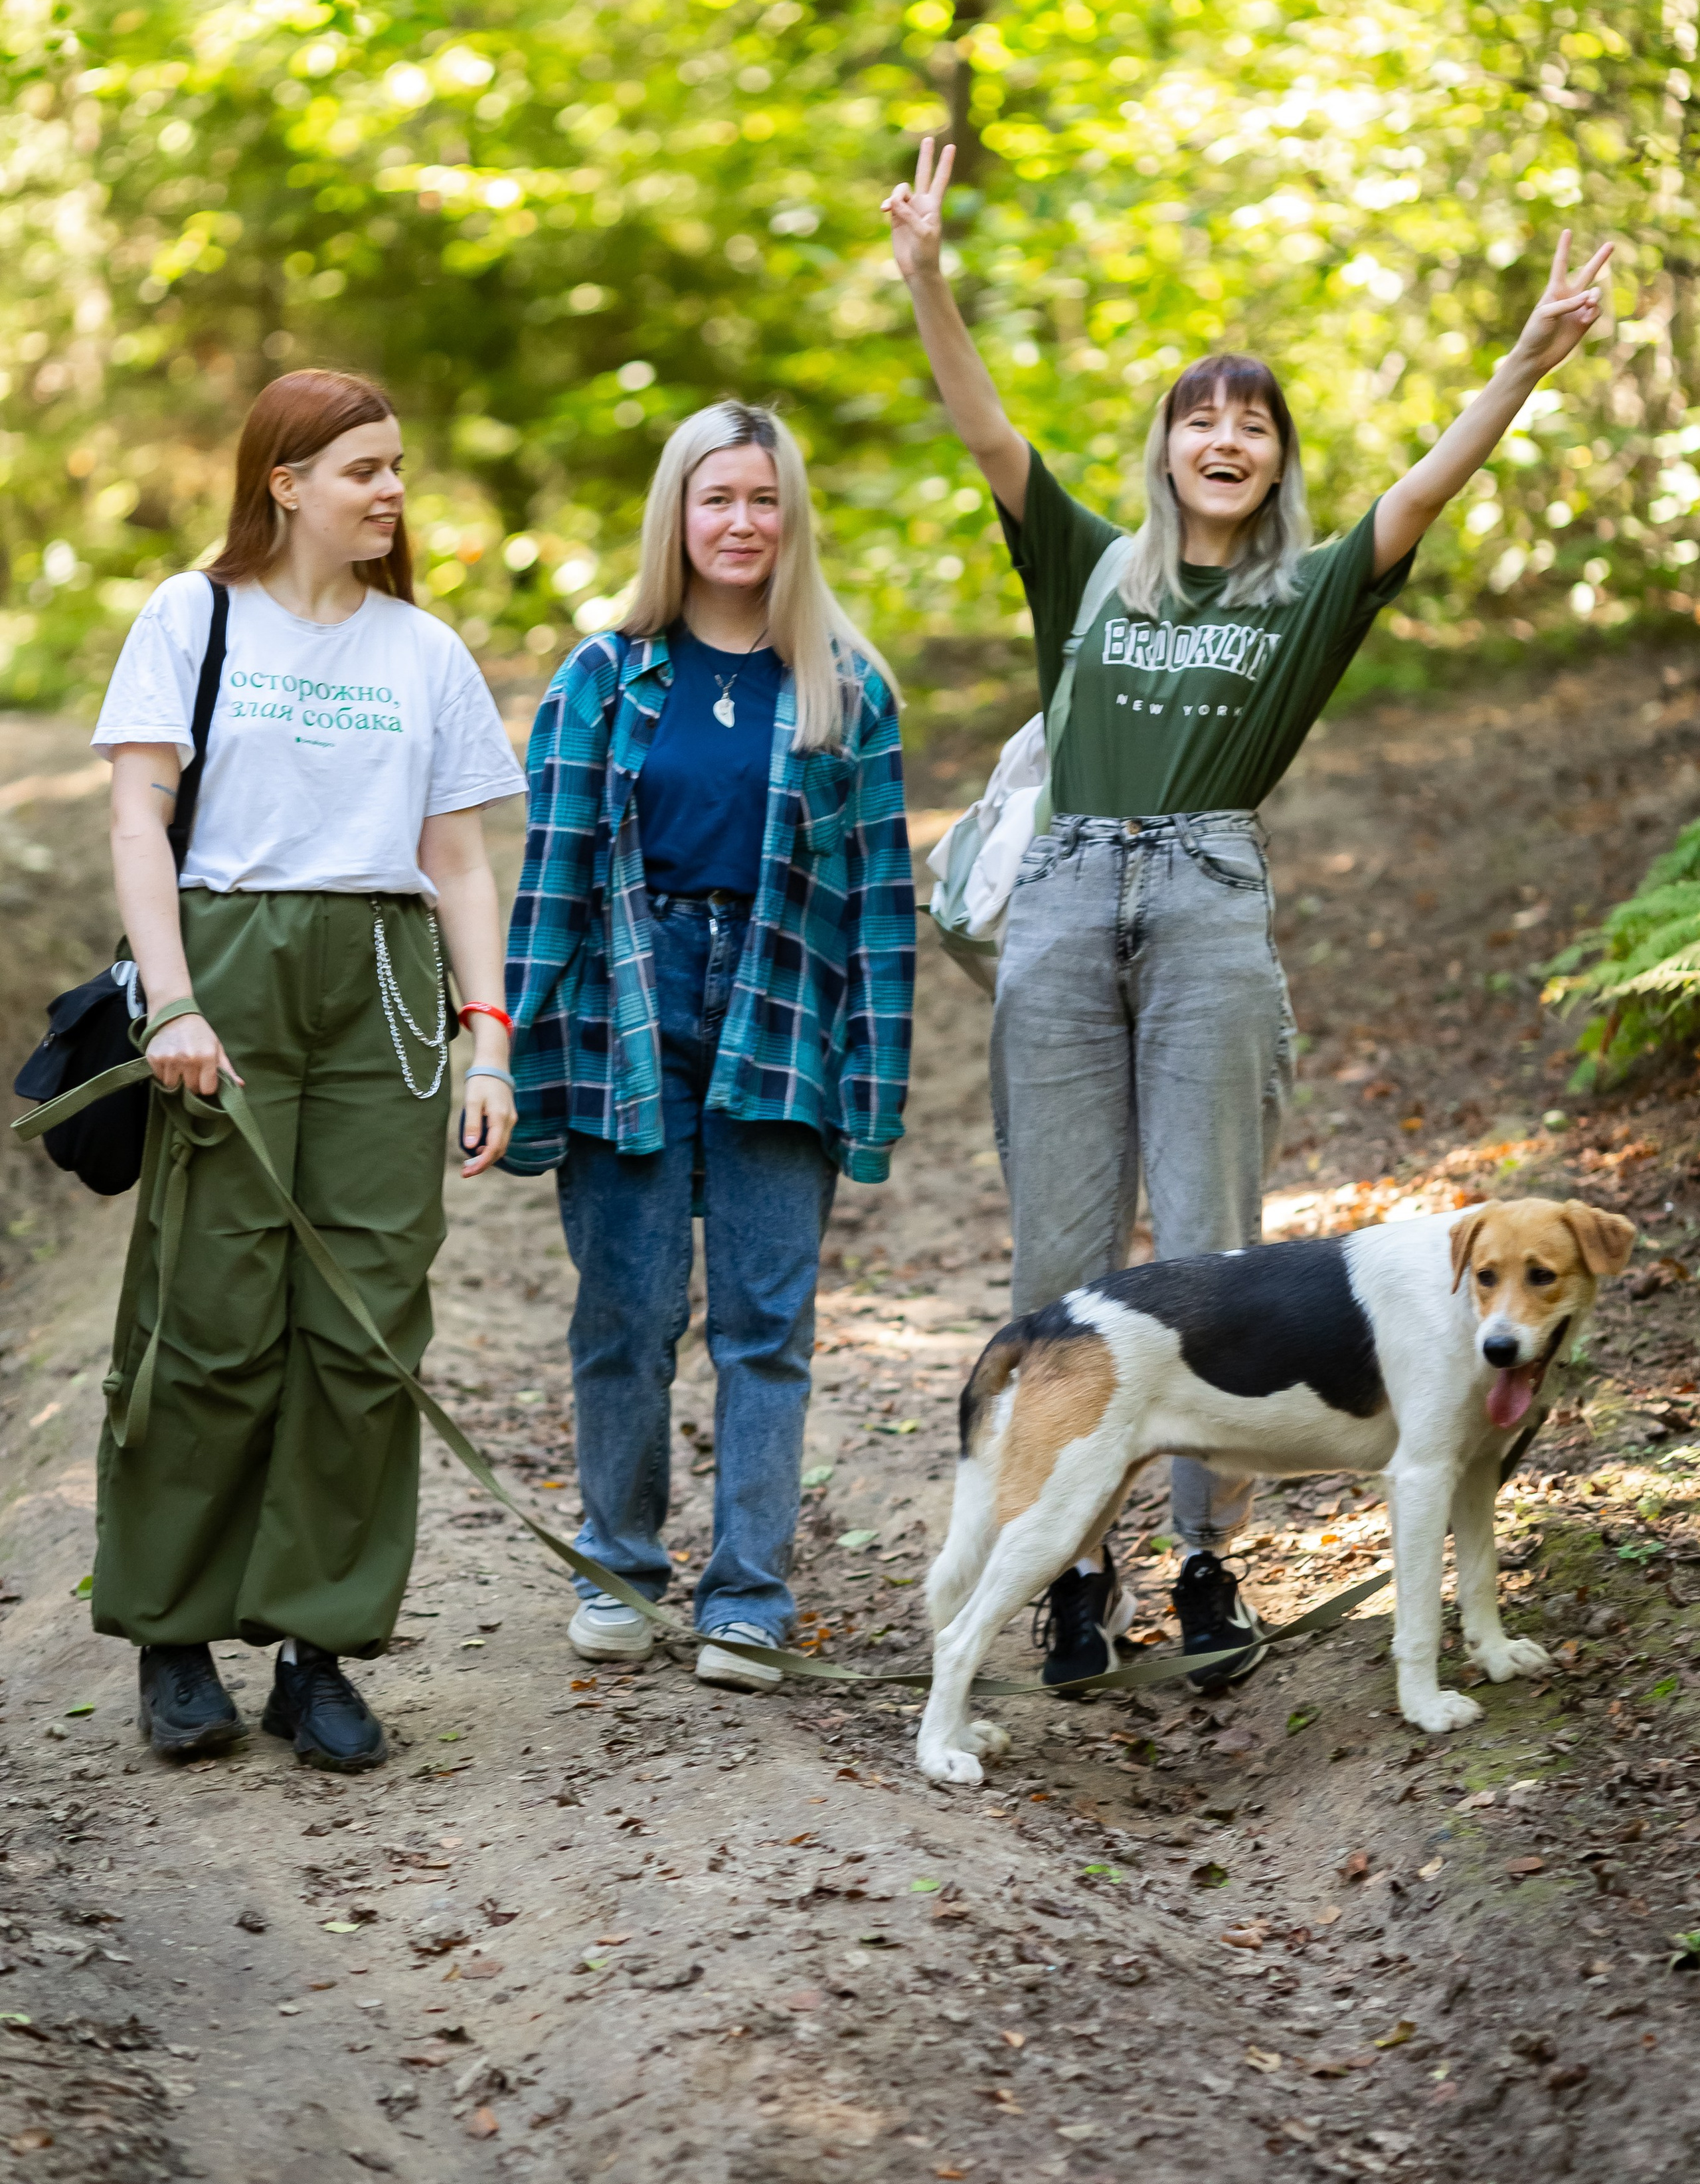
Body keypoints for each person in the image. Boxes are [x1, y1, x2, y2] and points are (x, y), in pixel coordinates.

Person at [887, 137, 1610, 1691]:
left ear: (1276, 461)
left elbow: (1425, 482)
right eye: (1197, 417)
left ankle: (1206, 1565)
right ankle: (1075, 1577)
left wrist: (1525, 362)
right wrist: (926, 280)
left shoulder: (1304, 601)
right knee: (1065, 1254)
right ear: (1162, 450)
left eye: (1254, 423)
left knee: (1210, 1249)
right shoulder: (1086, 568)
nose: (1224, 437)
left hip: (1211, 898)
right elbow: (986, 429)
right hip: (1068, 896)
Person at [93, 368, 526, 1771]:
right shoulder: (192, 616)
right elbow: (138, 823)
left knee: (364, 1327)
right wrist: (170, 1002)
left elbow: (460, 857)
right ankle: (171, 1634)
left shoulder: (425, 652)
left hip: (388, 992)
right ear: (283, 484)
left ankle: (317, 1648)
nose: (390, 491)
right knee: (209, 1315)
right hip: (227, 969)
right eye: (361, 470)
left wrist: (488, 1040)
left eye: (397, 466)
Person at [505, 400, 914, 1688]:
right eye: (715, 499)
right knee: (623, 1313)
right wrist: (506, 1060)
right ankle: (617, 1564)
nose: (740, 523)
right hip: (623, 1009)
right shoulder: (604, 677)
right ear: (675, 515)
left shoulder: (846, 687)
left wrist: (875, 1081)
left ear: (791, 519)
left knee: (764, 1322)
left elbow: (882, 906)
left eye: (763, 500)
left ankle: (747, 1596)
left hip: (782, 1007)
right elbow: (550, 878)